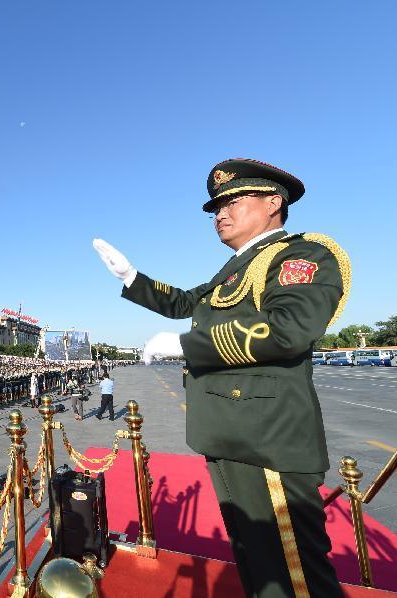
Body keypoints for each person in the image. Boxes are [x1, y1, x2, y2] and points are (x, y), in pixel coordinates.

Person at [93, 158, 347, 598]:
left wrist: (189, 344)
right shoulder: (236, 267)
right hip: (231, 434)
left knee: (295, 573)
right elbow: (187, 302)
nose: (220, 215)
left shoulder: (301, 256)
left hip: (268, 439)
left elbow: (289, 330)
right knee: (256, 560)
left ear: (273, 202)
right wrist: (132, 279)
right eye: (215, 208)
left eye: (232, 201)